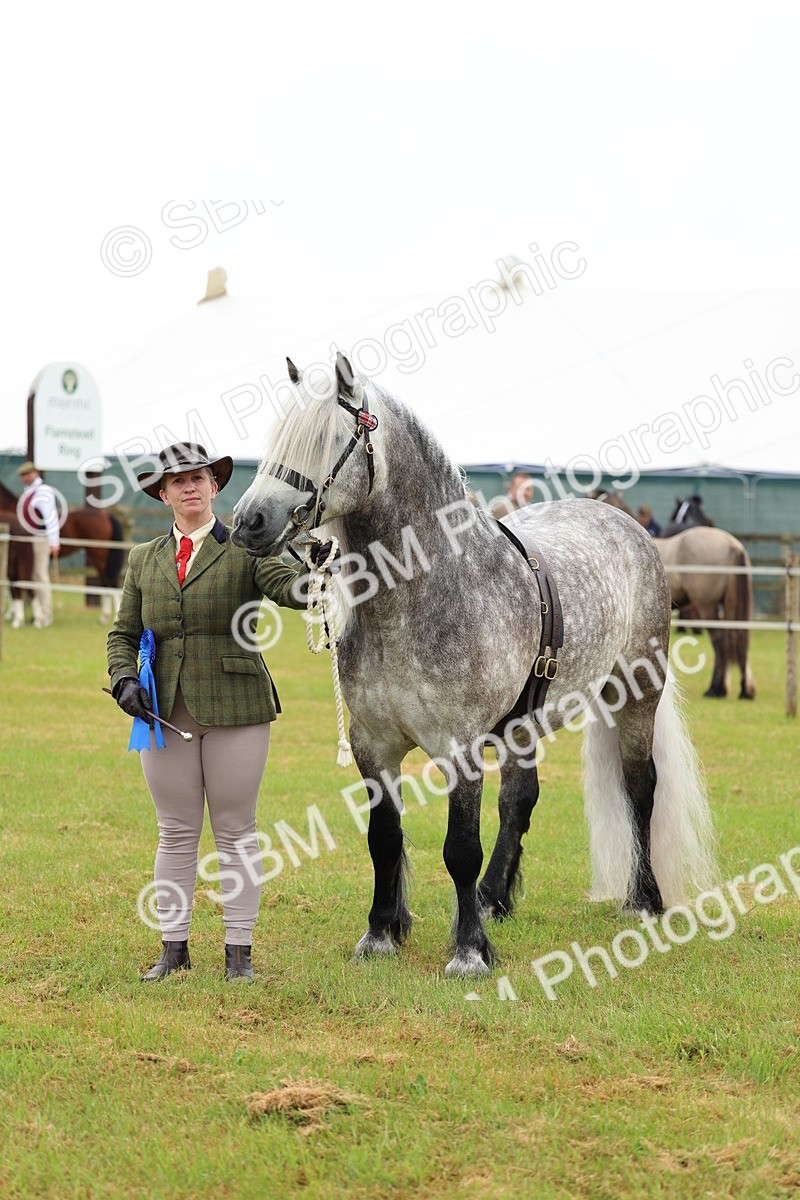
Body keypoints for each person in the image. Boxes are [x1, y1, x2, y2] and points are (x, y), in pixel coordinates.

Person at [107, 443, 312, 983]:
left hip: (237, 706)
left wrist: (313, 576)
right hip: (163, 712)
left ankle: (238, 955)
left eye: (198, 477)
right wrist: (124, 677)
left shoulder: (244, 549)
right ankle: (173, 950)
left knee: (235, 830)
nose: (189, 487)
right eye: (177, 482)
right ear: (162, 493)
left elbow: (286, 587)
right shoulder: (143, 559)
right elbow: (123, 633)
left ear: (214, 486)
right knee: (174, 831)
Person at [16, 461, 61, 627]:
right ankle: (38, 612)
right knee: (32, 575)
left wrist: (54, 541)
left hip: (39, 538)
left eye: (26, 475)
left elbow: (50, 517)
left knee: (40, 575)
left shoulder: (42, 492)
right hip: (28, 539)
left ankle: (46, 613)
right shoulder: (29, 492)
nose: (23, 478)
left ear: (34, 474)